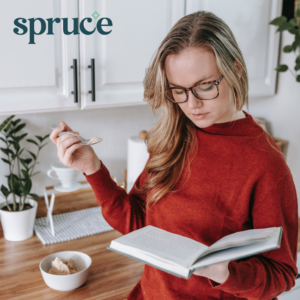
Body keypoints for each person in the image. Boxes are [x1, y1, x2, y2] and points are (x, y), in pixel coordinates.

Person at [50, 11, 299, 300]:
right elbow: (139, 224)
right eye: (178, 90)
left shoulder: (265, 163)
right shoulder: (173, 138)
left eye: (205, 85)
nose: (191, 104)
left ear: (236, 70)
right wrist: (93, 168)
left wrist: (226, 273)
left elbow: (282, 274)